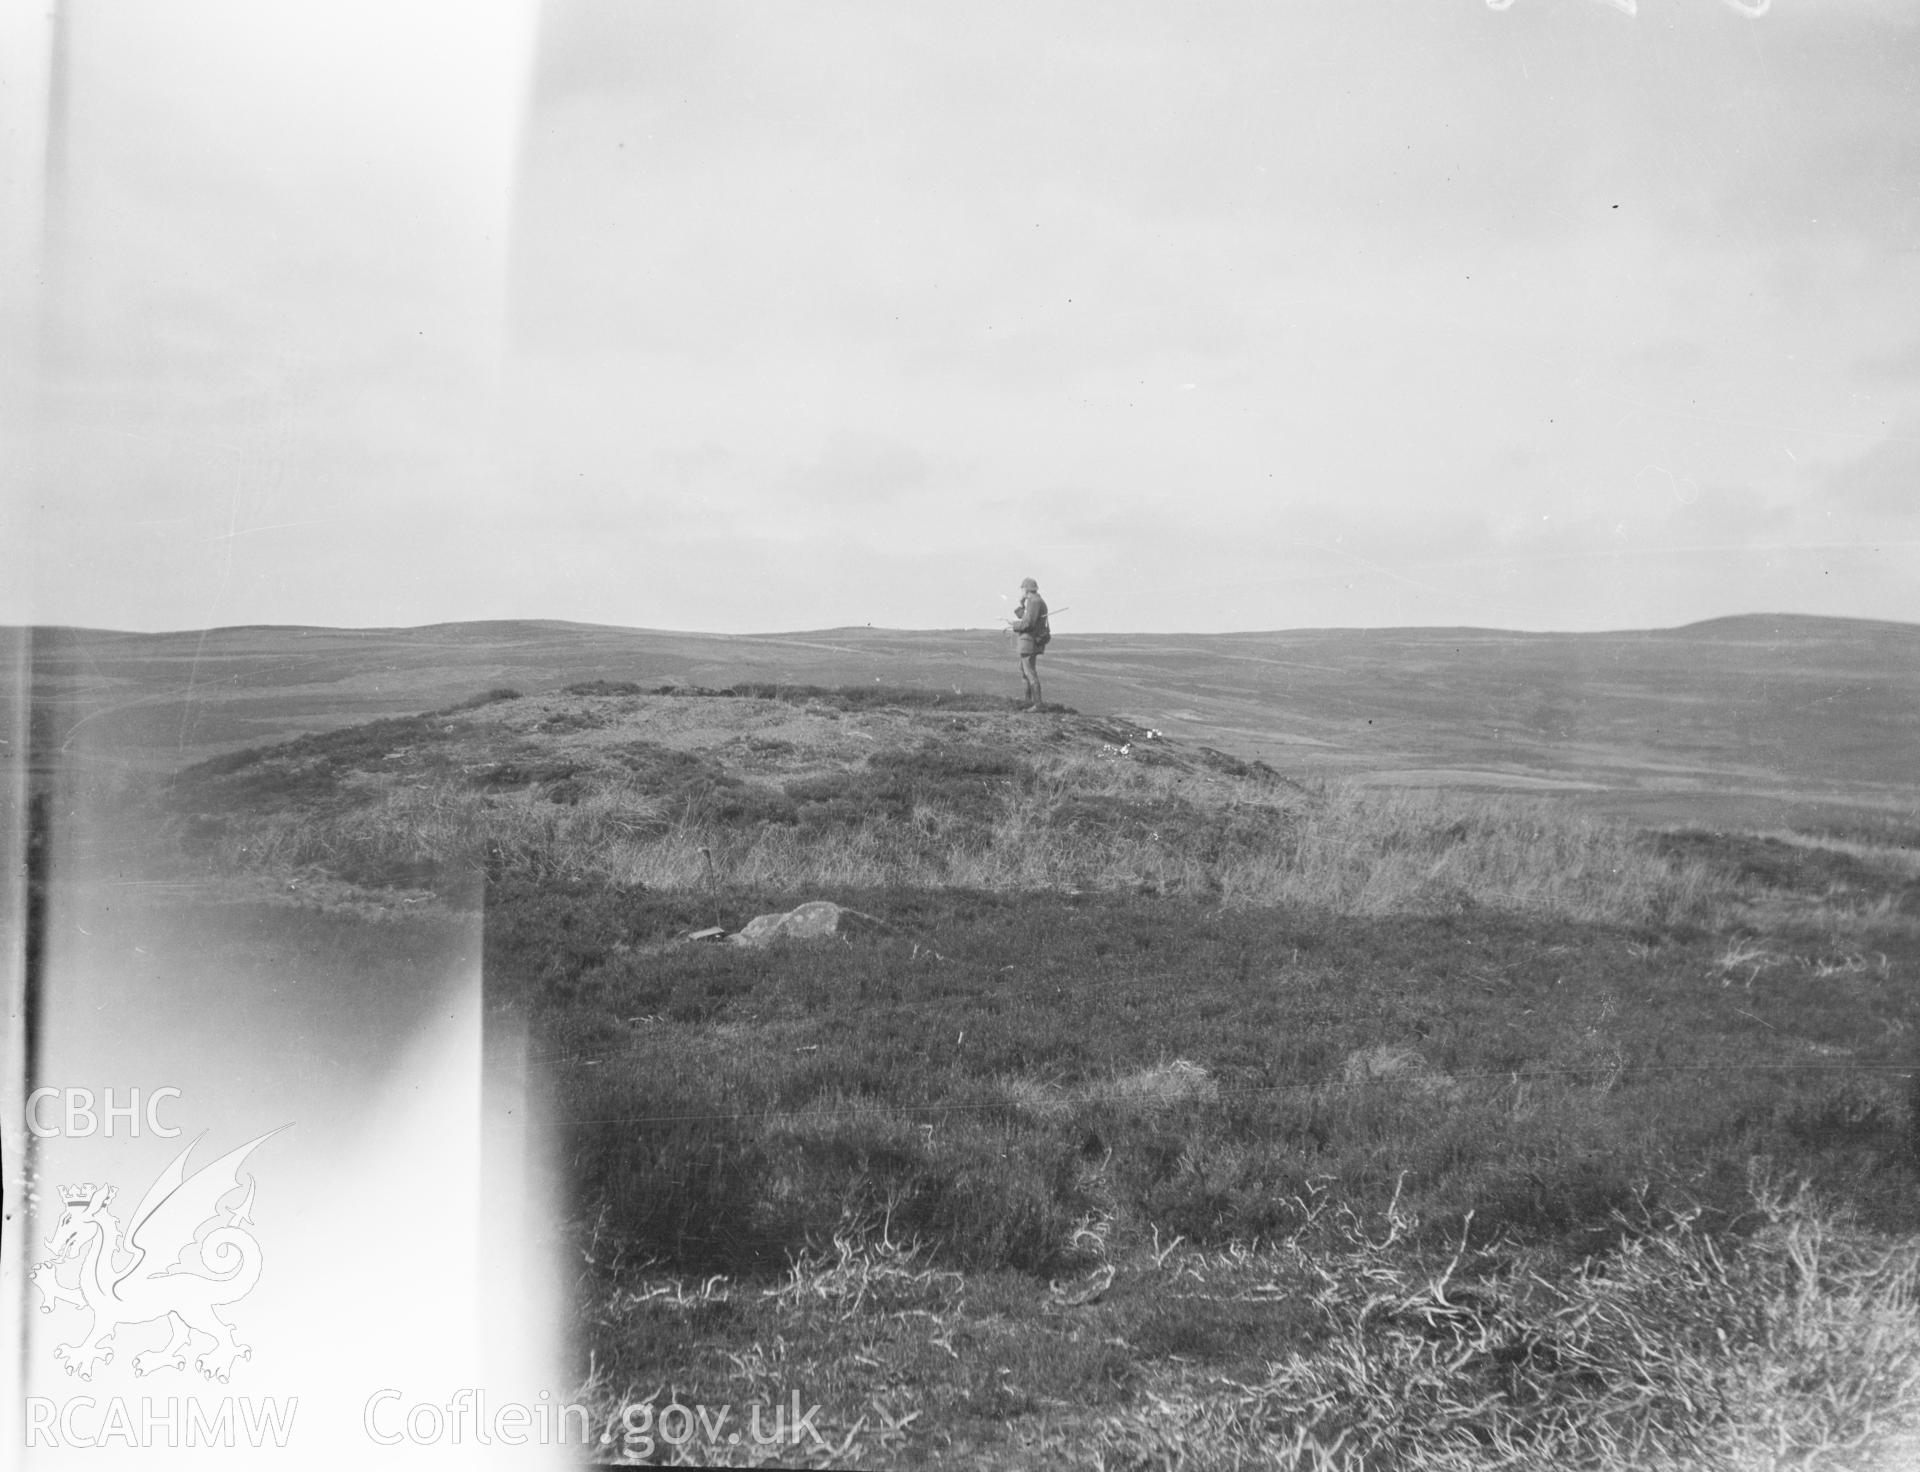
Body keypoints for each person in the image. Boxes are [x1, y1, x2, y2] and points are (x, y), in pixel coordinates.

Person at [1008, 576, 1050, 708]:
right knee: (1025, 670)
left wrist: (1014, 625)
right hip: (1029, 641)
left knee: (1029, 671)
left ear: (1026, 589)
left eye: (1022, 589)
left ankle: (1037, 704)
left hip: (1029, 642)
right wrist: (1020, 605)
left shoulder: (1034, 601)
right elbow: (1026, 617)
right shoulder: (1034, 601)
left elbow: (1028, 623)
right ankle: (1029, 702)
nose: (1021, 591)